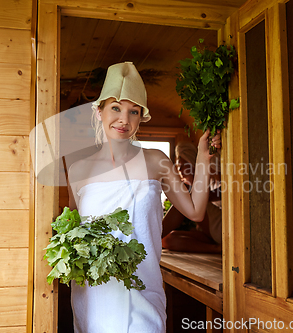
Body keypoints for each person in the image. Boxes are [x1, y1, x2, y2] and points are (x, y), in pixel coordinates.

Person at [66, 61, 220, 333]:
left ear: (141, 118)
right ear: (99, 110)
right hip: (93, 296)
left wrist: (204, 157)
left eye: (133, 112)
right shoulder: (78, 170)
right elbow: (71, 230)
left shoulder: (155, 161)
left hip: (142, 289)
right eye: (116, 108)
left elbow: (195, 211)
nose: (124, 119)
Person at [161, 142, 222, 253]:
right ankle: (217, 249)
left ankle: (149, 239)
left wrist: (195, 196)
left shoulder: (213, 176)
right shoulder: (192, 187)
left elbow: (222, 192)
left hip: (223, 229)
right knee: (167, 240)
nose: (179, 171)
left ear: (192, 163)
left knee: (186, 201)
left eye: (182, 166)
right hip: (211, 235)